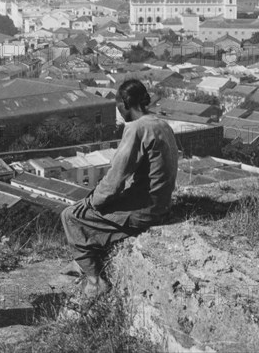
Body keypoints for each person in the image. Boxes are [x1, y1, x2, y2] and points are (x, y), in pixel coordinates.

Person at [61, 78, 179, 301]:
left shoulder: (136, 128)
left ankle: (95, 282)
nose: (119, 113)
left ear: (126, 104)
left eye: (119, 107)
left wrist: (92, 202)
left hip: (144, 209)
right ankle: (83, 261)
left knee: (70, 216)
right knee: (98, 212)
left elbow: (115, 180)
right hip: (161, 203)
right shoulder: (161, 124)